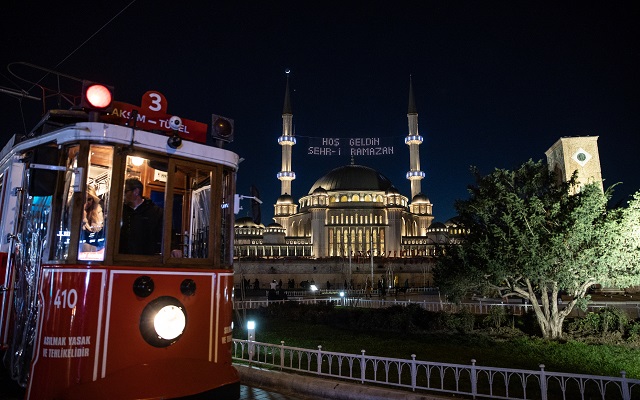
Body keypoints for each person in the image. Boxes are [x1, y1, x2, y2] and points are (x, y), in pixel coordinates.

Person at [119, 178, 163, 255]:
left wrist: (173, 248)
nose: (122, 195)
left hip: (146, 259)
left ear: (136, 191)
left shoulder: (155, 212)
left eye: (125, 191)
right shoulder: (119, 210)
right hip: (121, 257)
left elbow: (164, 234)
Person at [81, 186, 104, 251]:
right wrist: (83, 218)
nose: (86, 203)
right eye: (84, 199)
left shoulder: (97, 211)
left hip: (94, 250)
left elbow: (97, 235)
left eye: (89, 199)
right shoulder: (74, 212)